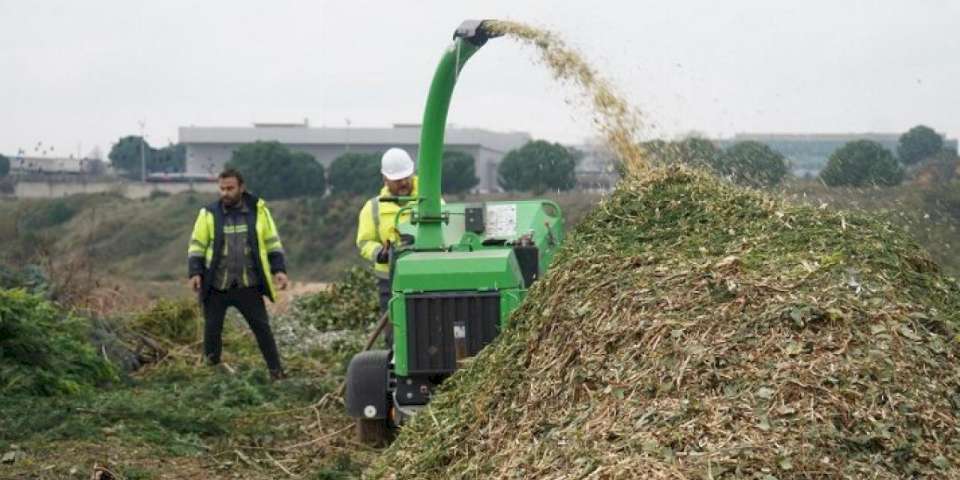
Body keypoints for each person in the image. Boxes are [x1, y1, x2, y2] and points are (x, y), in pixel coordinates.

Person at [187, 168, 289, 380]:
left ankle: (276, 372)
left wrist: (278, 270)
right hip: (216, 286)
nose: (225, 193)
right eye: (222, 188)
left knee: (262, 330)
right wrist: (195, 272)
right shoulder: (208, 214)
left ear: (241, 188)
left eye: (230, 188)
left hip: (248, 286)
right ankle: (212, 376)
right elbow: (197, 245)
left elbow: (272, 242)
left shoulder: (259, 212)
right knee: (212, 333)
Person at [356, 148, 418, 345]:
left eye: (406, 177)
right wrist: (380, 253)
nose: (403, 183)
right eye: (397, 179)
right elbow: (364, 242)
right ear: (385, 179)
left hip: (423, 278)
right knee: (395, 333)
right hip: (389, 283)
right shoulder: (373, 207)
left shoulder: (432, 202)